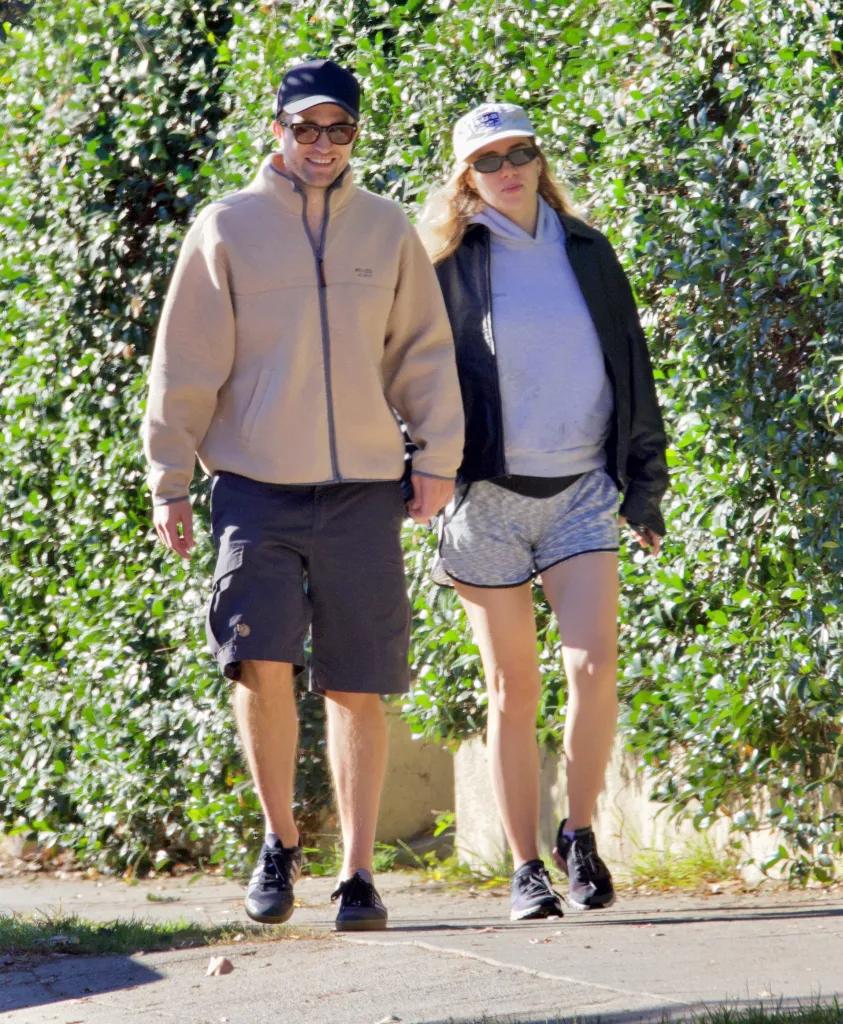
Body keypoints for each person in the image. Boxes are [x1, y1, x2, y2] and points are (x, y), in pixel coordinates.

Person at [144, 59, 463, 932]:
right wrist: (170, 480)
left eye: (339, 128)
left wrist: (436, 455)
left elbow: (422, 352)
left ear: (354, 135)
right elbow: (185, 362)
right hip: (254, 487)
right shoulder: (227, 227)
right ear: (277, 129)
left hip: (362, 489)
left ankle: (357, 873)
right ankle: (279, 842)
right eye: (306, 127)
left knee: (358, 681)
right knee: (260, 664)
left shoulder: (386, 228)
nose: (322, 144)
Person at [418, 102, 668, 921]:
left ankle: (579, 835)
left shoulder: (586, 249)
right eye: (487, 160)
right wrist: (418, 469)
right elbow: (408, 376)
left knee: (593, 668)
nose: (507, 170)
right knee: (511, 687)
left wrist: (644, 487)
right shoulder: (445, 263)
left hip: (580, 491)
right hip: (483, 497)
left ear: (538, 160)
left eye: (518, 152)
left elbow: (631, 367)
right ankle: (525, 869)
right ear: (465, 177)